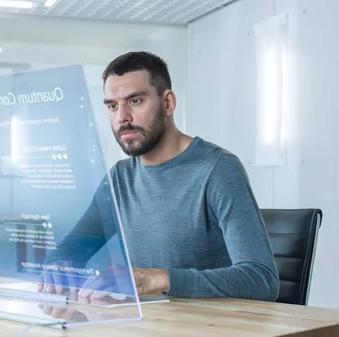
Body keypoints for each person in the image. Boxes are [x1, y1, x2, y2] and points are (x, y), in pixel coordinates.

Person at [39, 51, 279, 301]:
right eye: (112, 105)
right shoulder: (120, 177)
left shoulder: (218, 169)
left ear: (168, 103)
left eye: (135, 101)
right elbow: (71, 249)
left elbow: (262, 280)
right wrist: (58, 266)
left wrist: (158, 279)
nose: (122, 118)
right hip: (150, 324)